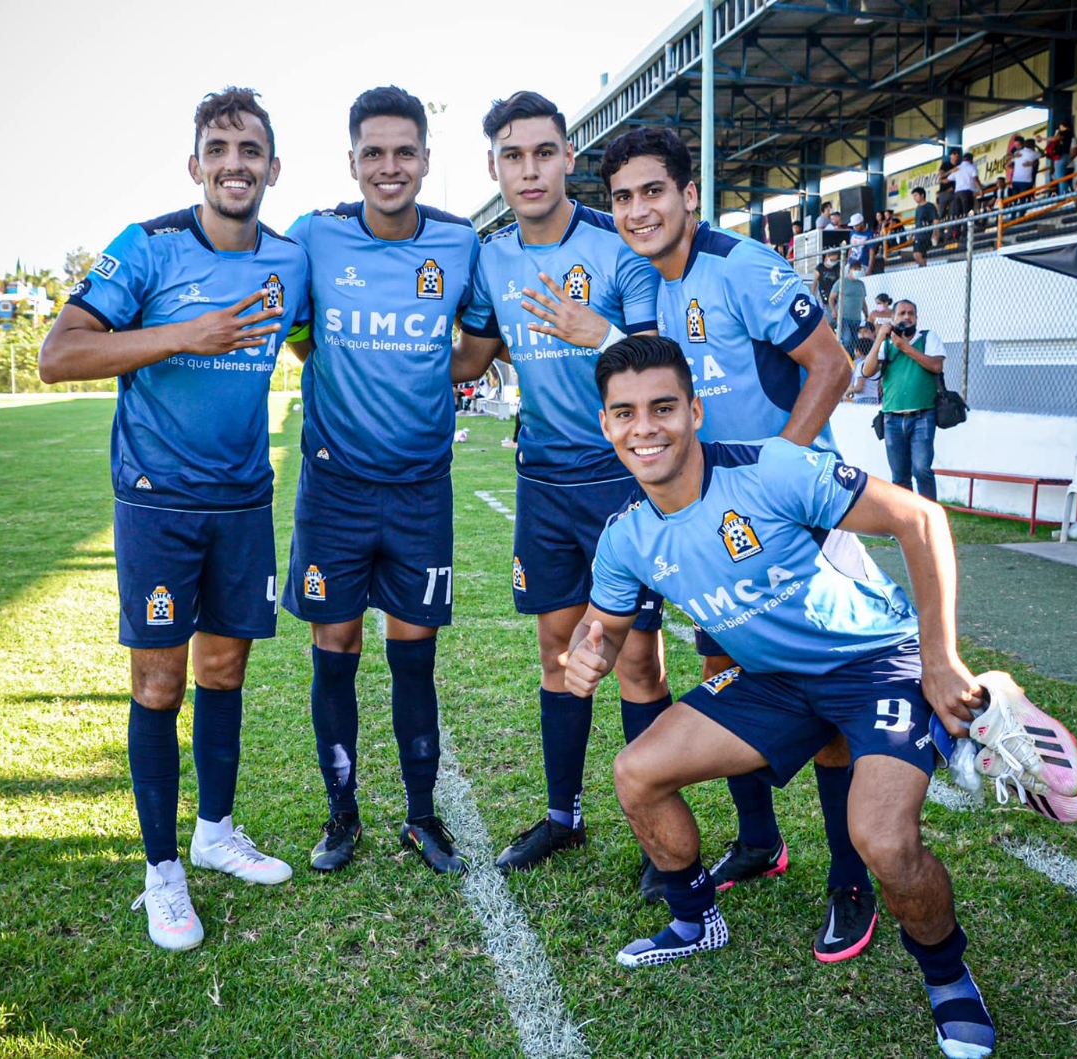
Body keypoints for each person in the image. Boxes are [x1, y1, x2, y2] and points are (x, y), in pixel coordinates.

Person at [569, 335, 1038, 1059]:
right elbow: (604, 623)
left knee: (883, 840)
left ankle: (948, 977)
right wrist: (589, 648)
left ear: (694, 410)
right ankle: (696, 919)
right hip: (774, 683)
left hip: (874, 661)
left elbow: (921, 519)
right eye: (625, 413)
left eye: (663, 407)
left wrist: (939, 658)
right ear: (606, 425)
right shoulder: (625, 535)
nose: (646, 427)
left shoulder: (770, 467)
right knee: (635, 772)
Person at [37, 87, 309, 951]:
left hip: (244, 499)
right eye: (219, 150)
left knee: (224, 671)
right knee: (160, 684)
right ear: (195, 166)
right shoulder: (146, 248)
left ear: (273, 167)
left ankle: (216, 833)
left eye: (250, 150)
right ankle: (162, 873)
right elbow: (60, 352)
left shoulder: (290, 260)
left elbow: (309, 343)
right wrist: (184, 334)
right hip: (158, 502)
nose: (236, 164)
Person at [601, 128, 881, 963]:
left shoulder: (743, 264)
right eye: (621, 197)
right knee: (727, 676)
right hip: (718, 532)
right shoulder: (657, 286)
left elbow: (831, 367)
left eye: (653, 190)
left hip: (797, 524)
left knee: (827, 705)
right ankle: (759, 839)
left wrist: (774, 489)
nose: (638, 209)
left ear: (689, 195)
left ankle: (849, 879)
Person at [448, 91, 672, 881]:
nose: (530, 169)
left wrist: (596, 331)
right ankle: (562, 815)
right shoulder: (492, 255)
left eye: (544, 152)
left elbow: (654, 359)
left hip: (620, 480)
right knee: (558, 651)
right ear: (494, 168)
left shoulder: (618, 244)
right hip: (542, 478)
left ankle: (657, 831)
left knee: (636, 658)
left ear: (569, 158)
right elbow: (469, 359)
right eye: (513, 155)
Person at [283, 86, 480, 877]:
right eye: (374, 152)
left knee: (414, 653)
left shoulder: (461, 243)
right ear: (353, 161)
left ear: (426, 160)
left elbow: (480, 344)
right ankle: (342, 813)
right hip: (334, 490)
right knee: (335, 645)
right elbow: (302, 333)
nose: (389, 166)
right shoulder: (314, 238)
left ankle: (422, 816)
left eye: (404, 152)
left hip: (420, 488)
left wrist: (430, 371)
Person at [861, 299, 947, 501]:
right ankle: (904, 523)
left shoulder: (927, 338)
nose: (906, 317)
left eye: (911, 313)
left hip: (922, 415)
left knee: (921, 469)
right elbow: (867, 370)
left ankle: (929, 520)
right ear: (893, 318)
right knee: (900, 476)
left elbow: (936, 366)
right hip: (892, 418)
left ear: (916, 318)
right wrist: (880, 337)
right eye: (901, 313)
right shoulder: (887, 344)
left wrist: (906, 347)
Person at [846, 323, 880, 404]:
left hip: (863, 399)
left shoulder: (861, 364)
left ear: (857, 351)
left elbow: (859, 387)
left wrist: (848, 391)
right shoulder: (876, 363)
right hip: (875, 398)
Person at [1044, 120, 1077, 195]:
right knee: (1059, 177)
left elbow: (1074, 153)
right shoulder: (1069, 136)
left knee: (1061, 179)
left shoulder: (1068, 135)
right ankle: (1065, 193)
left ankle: (1066, 194)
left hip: (1064, 159)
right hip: (1064, 159)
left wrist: (1043, 139)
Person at [910, 186, 938, 267]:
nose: (914, 198)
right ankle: (923, 268)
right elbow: (917, 222)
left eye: (916, 195)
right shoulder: (918, 208)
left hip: (925, 235)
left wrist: (935, 232)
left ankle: (924, 266)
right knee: (922, 255)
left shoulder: (929, 206)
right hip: (918, 235)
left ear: (922, 195)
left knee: (917, 254)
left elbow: (935, 220)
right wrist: (913, 233)